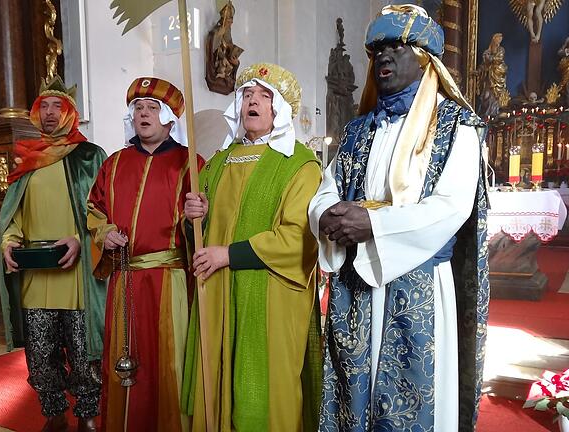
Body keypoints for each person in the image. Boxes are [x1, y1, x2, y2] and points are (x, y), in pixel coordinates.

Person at [309, 5, 490, 431]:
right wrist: (328, 217)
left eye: (396, 46)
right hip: (357, 282)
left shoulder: (455, 125)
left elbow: (451, 206)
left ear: (426, 57)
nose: (383, 57)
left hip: (419, 282)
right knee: (354, 396)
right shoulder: (358, 130)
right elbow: (326, 190)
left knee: (413, 405)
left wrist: (372, 224)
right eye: (376, 50)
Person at [182, 63, 323, 431]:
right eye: (247, 95)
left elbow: (298, 238)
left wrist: (229, 254)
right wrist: (194, 215)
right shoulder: (217, 162)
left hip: (270, 296)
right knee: (219, 381)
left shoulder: (300, 165)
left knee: (263, 390)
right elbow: (200, 231)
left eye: (264, 95)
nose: (253, 102)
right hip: (217, 291)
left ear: (281, 108)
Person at [87, 77, 202, 431]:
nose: (144, 114)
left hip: (169, 282)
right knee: (126, 364)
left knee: (169, 363)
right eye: (138, 108)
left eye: (152, 108)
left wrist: (198, 216)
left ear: (169, 118)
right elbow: (94, 209)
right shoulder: (115, 163)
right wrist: (104, 234)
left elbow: (203, 226)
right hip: (125, 279)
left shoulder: (190, 164)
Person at [0, 76, 106, 432]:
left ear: (70, 112)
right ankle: (54, 412)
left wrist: (78, 238)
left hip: (76, 271)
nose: (48, 113)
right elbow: (14, 215)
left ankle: (87, 412)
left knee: (81, 347)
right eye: (42, 106)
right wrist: (9, 242)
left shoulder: (89, 156)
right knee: (40, 351)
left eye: (56, 106)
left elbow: (103, 210)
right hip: (36, 272)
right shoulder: (26, 158)